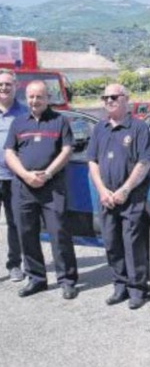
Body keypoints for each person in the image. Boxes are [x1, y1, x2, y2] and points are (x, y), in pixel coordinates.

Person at [4, 80, 78, 299]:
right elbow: (9, 153)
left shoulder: (60, 121)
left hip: (52, 186)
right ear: (26, 98)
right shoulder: (18, 123)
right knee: (26, 234)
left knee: (59, 234)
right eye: (31, 97)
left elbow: (67, 150)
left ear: (47, 98)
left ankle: (67, 280)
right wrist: (26, 175)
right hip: (23, 187)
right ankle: (36, 279)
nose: (35, 101)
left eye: (39, 97)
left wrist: (47, 173)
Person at [87, 84, 150, 310]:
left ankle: (137, 289)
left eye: (113, 97)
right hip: (107, 198)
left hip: (131, 197)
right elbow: (92, 162)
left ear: (126, 99)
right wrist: (102, 191)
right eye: (105, 97)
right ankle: (120, 285)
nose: (108, 101)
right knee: (111, 242)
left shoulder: (138, 127)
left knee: (132, 243)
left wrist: (124, 190)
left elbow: (144, 162)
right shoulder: (99, 128)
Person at [0, 69, 27, 282]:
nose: (4, 87)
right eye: (1, 84)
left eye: (8, 84)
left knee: (15, 222)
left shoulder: (24, 113)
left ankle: (14, 264)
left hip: (15, 178)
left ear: (15, 86)